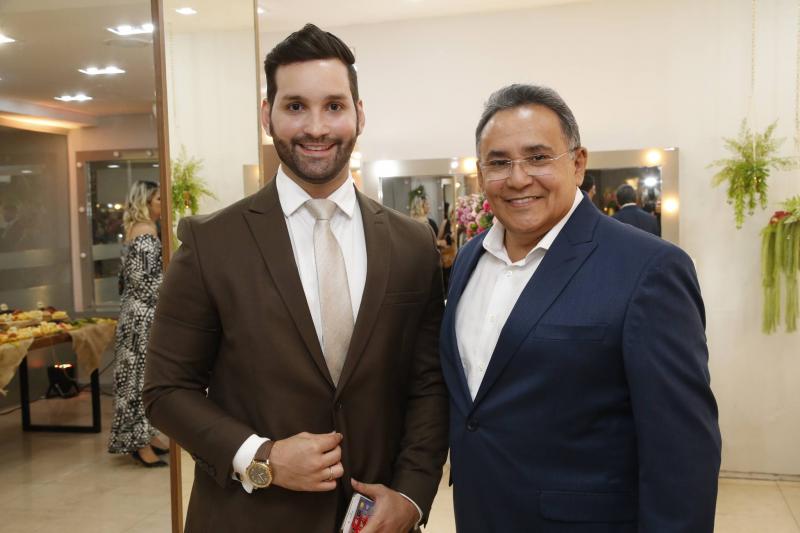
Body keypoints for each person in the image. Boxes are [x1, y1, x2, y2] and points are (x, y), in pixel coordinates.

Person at [143, 24, 448, 532]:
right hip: (248, 517)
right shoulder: (210, 242)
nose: (316, 127)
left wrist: (411, 496)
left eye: (334, 106)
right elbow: (166, 390)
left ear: (359, 114)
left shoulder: (411, 243)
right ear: (267, 115)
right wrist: (260, 457)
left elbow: (429, 385)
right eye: (295, 106)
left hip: (376, 520)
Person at [440, 84, 721, 532]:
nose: (517, 178)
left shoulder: (648, 268)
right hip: (479, 515)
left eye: (537, 157)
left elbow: (682, 453)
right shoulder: (470, 258)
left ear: (577, 162)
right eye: (499, 162)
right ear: (480, 173)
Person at [108, 180, 168, 467]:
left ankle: (146, 436)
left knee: (139, 376)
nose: (162, 204)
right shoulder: (145, 232)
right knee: (139, 379)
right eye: (158, 199)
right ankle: (140, 444)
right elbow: (145, 281)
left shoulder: (136, 229)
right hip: (143, 315)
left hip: (134, 311)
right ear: (145, 202)